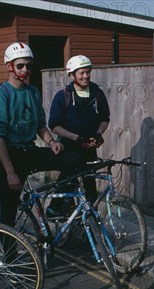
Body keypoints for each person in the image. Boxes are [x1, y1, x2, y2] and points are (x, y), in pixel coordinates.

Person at [0, 42, 83, 228]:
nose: (25, 69)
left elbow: (40, 125)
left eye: (29, 65)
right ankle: (9, 257)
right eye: (20, 65)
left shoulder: (32, 92)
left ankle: (56, 207)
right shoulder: (1, 95)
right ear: (9, 66)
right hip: (9, 155)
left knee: (74, 160)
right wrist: (10, 172)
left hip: (30, 150)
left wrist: (51, 142)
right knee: (8, 214)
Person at [48, 55, 110, 204]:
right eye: (81, 73)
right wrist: (76, 137)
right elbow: (54, 125)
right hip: (69, 147)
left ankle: (88, 221)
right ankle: (57, 212)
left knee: (90, 191)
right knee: (67, 187)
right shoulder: (63, 96)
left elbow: (104, 118)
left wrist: (99, 133)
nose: (86, 76)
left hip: (89, 149)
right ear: (72, 74)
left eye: (88, 72)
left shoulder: (97, 94)